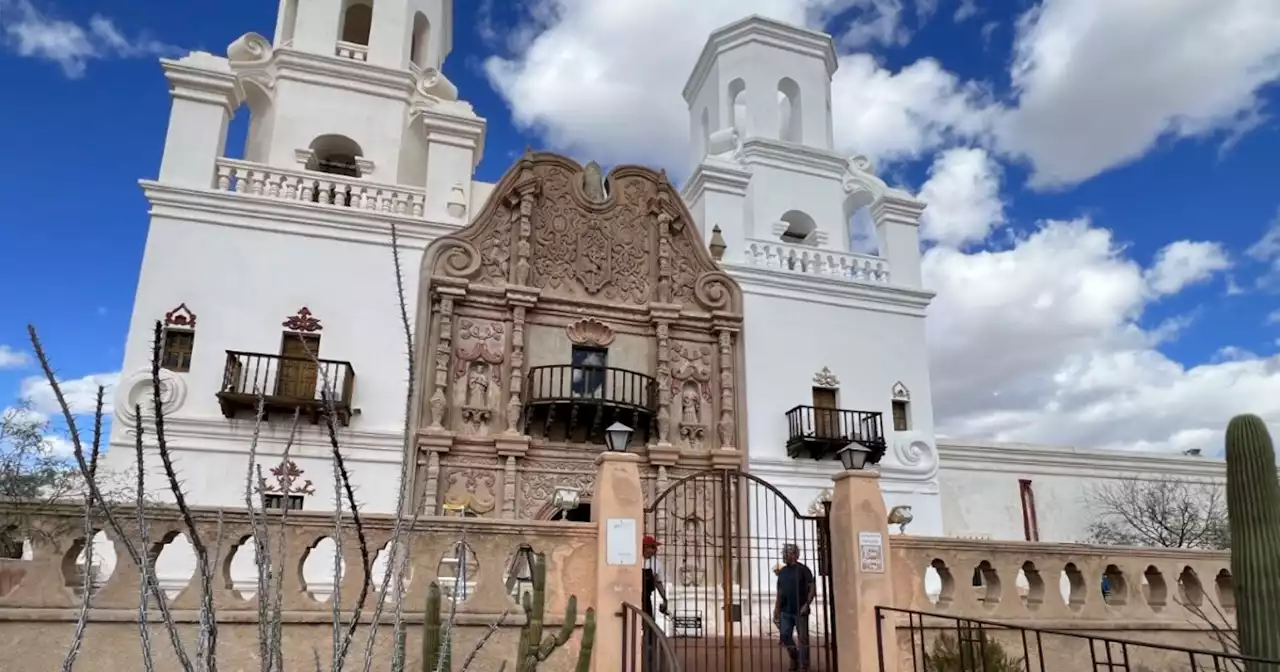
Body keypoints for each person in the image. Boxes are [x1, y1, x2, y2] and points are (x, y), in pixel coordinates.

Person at [774, 543, 815, 672]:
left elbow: (812, 588)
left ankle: (804, 665)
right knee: (785, 635)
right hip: (785, 610)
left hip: (800, 610)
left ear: (793, 555)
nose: (783, 556)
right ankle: (794, 657)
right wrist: (776, 609)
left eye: (785, 553)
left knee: (803, 639)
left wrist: (807, 604)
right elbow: (780, 592)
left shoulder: (803, 570)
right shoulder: (783, 572)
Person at [641, 536, 668, 672]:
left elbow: (658, 582)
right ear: (644, 547)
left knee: (648, 626)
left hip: (646, 598)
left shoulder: (657, 564)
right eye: (652, 547)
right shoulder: (634, 560)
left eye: (654, 547)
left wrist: (665, 598)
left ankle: (647, 655)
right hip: (634, 597)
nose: (654, 550)